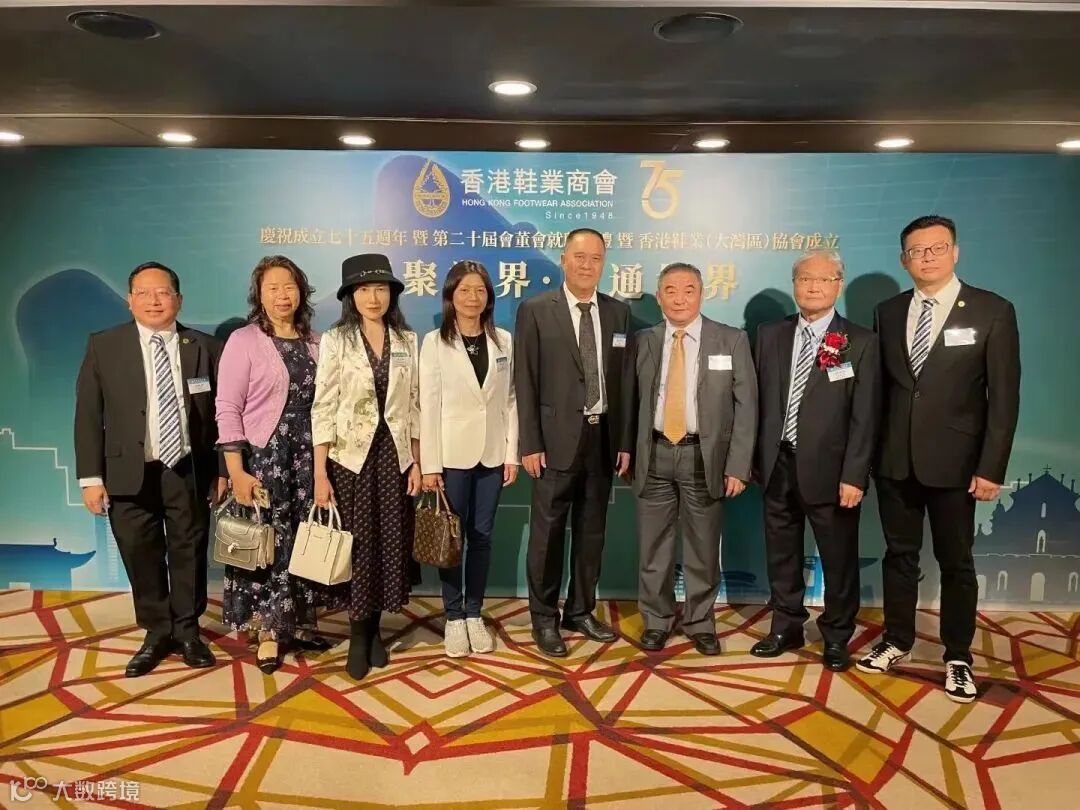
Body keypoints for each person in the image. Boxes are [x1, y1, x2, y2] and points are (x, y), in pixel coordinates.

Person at [856, 215, 1020, 703]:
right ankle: (897, 639)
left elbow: (1004, 399)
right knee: (899, 556)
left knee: (956, 562)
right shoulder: (888, 312)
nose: (926, 258)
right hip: (895, 462)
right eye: (916, 251)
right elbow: (883, 391)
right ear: (903, 259)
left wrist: (991, 467)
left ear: (955, 252)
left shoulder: (992, 310)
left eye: (936, 248)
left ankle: (958, 656)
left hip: (957, 463)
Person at [75, 262, 228, 677]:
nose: (154, 301)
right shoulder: (105, 346)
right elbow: (87, 415)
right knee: (140, 554)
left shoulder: (206, 347)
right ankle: (157, 632)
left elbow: (221, 416)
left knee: (189, 552)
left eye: (163, 292)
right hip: (128, 472)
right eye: (143, 293)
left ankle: (188, 631)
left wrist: (221, 470)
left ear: (179, 299)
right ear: (130, 301)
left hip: (188, 469)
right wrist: (90, 478)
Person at [750, 250, 881, 671]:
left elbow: (866, 417)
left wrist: (855, 475)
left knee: (838, 559)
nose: (813, 287)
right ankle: (785, 626)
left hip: (833, 472)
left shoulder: (860, 341)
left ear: (838, 286)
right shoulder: (770, 334)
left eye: (824, 280)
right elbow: (756, 401)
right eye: (805, 278)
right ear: (794, 284)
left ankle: (837, 635)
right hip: (777, 464)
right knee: (781, 555)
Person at [514, 227, 634, 657]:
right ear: (564, 259)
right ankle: (544, 619)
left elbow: (623, 381)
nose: (587, 265)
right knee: (547, 537)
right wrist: (530, 442)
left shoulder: (619, 313)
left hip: (602, 439)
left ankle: (580, 610)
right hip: (553, 442)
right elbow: (525, 379)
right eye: (579, 257)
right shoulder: (535, 310)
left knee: (591, 533)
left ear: (604, 264)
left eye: (596, 258)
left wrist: (623, 441)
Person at [631, 262, 756, 656]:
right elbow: (630, 400)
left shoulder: (731, 339)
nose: (679, 298)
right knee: (654, 548)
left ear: (702, 294)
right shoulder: (644, 340)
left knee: (702, 548)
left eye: (688, 290)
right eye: (670, 290)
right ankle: (657, 620)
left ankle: (701, 622)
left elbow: (747, 407)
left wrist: (738, 465)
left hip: (705, 457)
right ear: (658, 297)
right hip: (654, 455)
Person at [215, 256, 332, 674]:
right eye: (273, 288)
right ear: (259, 295)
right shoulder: (244, 340)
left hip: (310, 455)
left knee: (304, 537)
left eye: (290, 286)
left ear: (302, 291)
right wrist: (236, 470)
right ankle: (267, 630)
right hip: (265, 455)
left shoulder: (318, 341)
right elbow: (227, 407)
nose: (282, 295)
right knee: (269, 541)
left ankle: (297, 622)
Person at [312, 253, 422, 680]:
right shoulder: (336, 339)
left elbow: (414, 405)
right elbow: (323, 406)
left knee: (388, 545)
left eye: (380, 289)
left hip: (395, 458)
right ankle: (359, 636)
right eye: (363, 290)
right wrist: (320, 472)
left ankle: (375, 628)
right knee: (358, 547)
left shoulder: (407, 340)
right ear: (350, 296)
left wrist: (417, 462)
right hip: (350, 460)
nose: (373, 298)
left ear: (391, 293)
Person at [419, 260, 519, 657]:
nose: (472, 298)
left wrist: (511, 453)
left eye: (480, 290)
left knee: (482, 537)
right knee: (451, 537)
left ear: (489, 296)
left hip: (492, 454)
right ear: (451, 295)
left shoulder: (504, 340)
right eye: (464, 290)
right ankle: (454, 616)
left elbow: (511, 400)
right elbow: (429, 406)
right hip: (451, 456)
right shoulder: (435, 342)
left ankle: (474, 613)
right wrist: (430, 465)